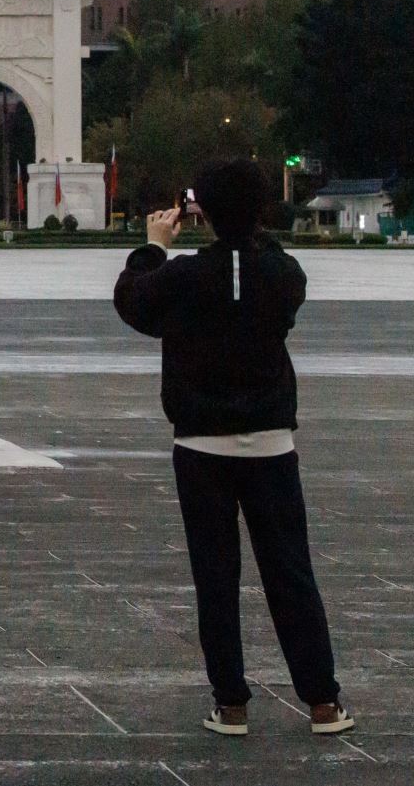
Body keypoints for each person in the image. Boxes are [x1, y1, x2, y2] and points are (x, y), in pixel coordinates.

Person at [114, 159, 354, 738]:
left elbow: (133, 303)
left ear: (202, 212)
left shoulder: (183, 278)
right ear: (263, 211)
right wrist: (247, 230)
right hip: (271, 446)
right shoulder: (284, 274)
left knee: (216, 579)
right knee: (291, 573)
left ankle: (232, 704)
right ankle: (322, 702)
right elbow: (268, 270)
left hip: (201, 448)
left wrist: (152, 247)